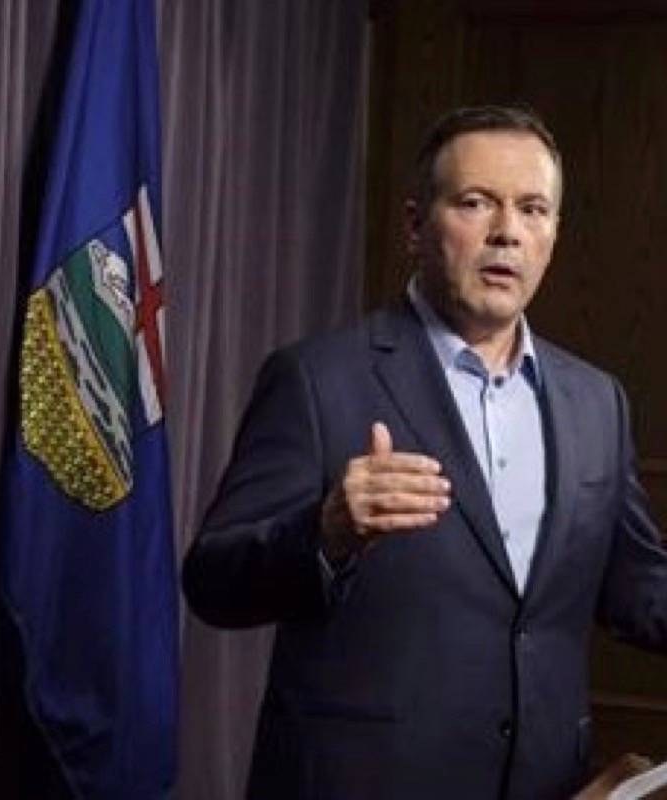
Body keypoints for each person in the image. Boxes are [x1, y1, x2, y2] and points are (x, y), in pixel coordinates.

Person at [182, 105, 667, 799]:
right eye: (476, 203)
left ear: (554, 234)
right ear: (416, 225)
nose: (508, 233)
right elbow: (213, 580)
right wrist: (327, 533)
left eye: (533, 210)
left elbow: (638, 586)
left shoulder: (597, 401)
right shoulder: (318, 380)